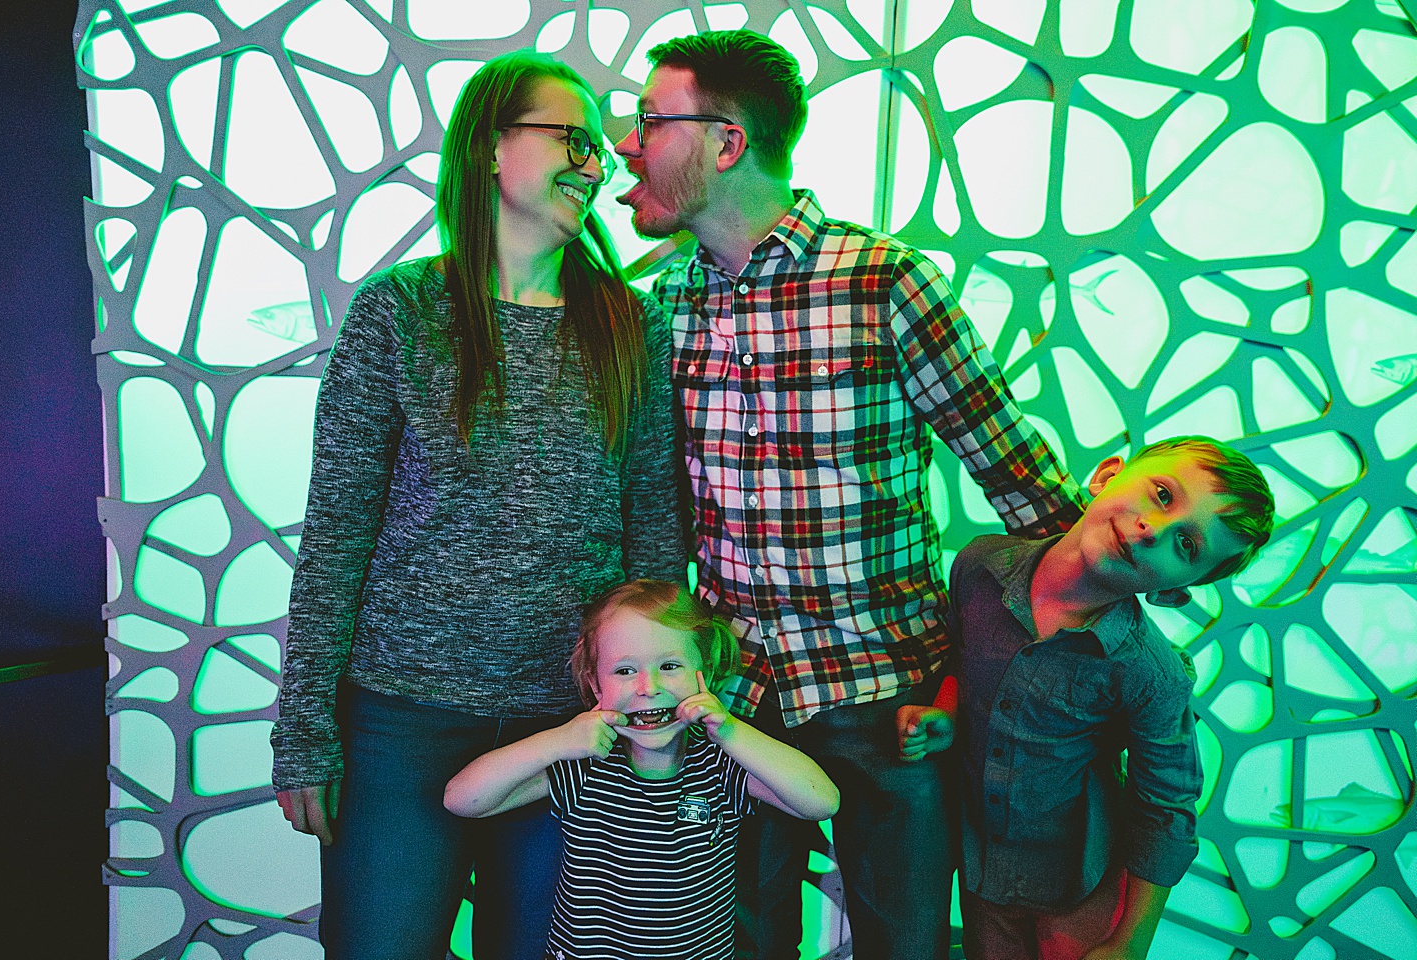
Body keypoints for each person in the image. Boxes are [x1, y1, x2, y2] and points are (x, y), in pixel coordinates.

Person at [612, 28, 1086, 960]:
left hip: (888, 693)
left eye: (649, 121)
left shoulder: (885, 279)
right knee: (730, 943)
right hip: (736, 692)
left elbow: (1010, 465)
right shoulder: (665, 304)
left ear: (726, 140)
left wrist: (1109, 601)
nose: (629, 144)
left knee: (903, 943)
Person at [269, 51, 685, 960]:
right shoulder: (400, 312)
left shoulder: (631, 326)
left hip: (569, 725)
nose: (596, 162)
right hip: (398, 724)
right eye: (572, 139)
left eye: (597, 149)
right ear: (492, 148)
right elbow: (337, 533)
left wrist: (653, 712)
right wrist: (303, 726)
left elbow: (655, 533)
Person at [898, 436, 1274, 960]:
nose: (1155, 530)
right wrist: (947, 711)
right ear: (1106, 475)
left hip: (1081, 885)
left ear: (1173, 591)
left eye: (1186, 546)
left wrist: (1129, 943)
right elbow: (966, 655)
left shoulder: (1152, 673)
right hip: (982, 871)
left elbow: (1166, 809)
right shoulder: (979, 567)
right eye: (1163, 494)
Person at [444, 579, 840, 960]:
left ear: (706, 672)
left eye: (670, 666)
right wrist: (557, 740)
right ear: (596, 687)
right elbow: (463, 800)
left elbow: (820, 801)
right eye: (625, 671)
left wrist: (731, 731)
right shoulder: (585, 765)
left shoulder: (721, 764)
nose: (648, 687)